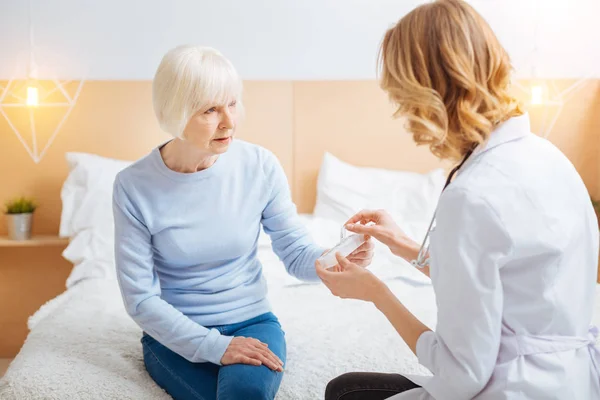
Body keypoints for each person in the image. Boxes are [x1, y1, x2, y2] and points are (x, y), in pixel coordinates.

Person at [317, 1, 600, 399]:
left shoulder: (472, 196)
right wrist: (405, 247)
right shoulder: (549, 158)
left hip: (514, 388)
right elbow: (506, 286)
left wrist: (375, 292)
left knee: (344, 394)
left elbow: (462, 374)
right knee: (349, 388)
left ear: (423, 93)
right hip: (571, 381)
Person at [112, 45, 374, 400]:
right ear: (176, 110)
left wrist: (336, 261)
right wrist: (215, 347)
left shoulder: (260, 166)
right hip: (175, 333)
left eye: (233, 103)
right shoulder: (133, 186)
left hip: (252, 323)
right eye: (211, 109)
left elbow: (295, 253)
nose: (229, 121)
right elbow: (141, 300)